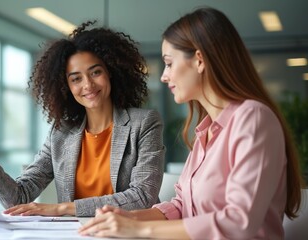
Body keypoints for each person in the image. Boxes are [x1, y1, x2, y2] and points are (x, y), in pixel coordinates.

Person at [79, 7, 305, 239]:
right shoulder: (206, 131)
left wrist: (137, 229)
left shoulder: (253, 119)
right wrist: (129, 217)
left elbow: (239, 222)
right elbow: (183, 206)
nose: (164, 76)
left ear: (199, 60)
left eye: (169, 63)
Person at [0, 21, 165, 217]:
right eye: (76, 79)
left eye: (95, 72)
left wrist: (61, 208)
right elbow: (18, 198)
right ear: (66, 87)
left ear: (110, 72)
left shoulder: (143, 123)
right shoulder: (61, 133)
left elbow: (142, 196)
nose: (88, 85)